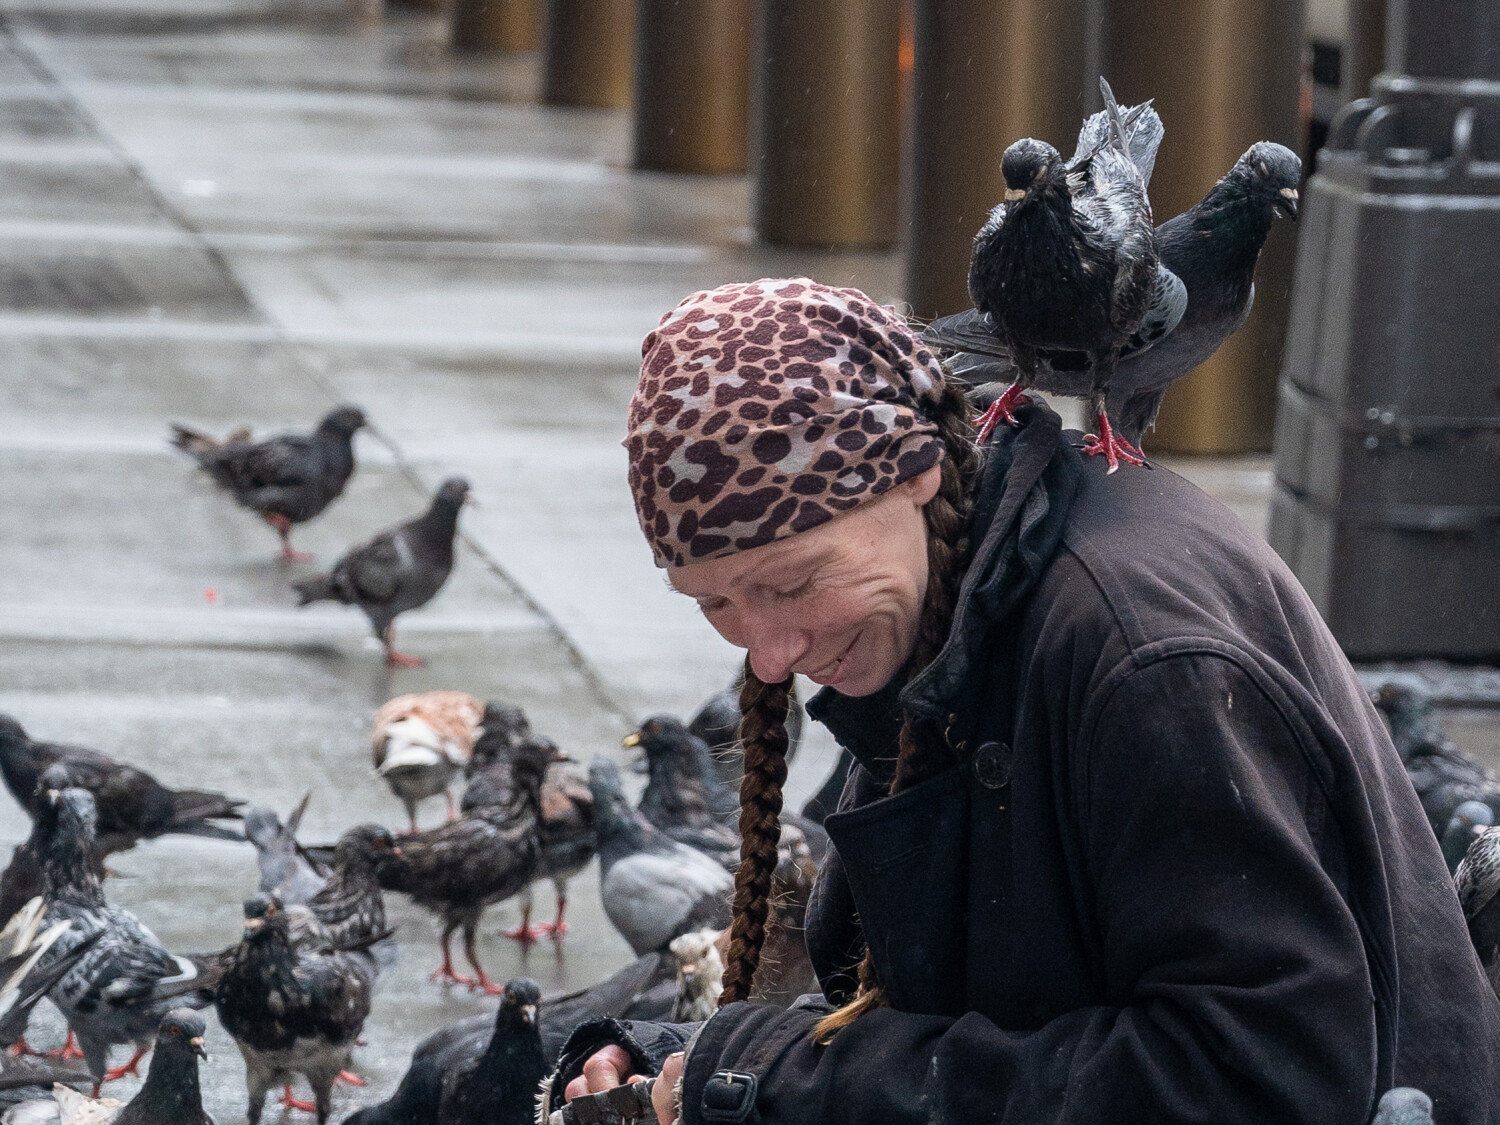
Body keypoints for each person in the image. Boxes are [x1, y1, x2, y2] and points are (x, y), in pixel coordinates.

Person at [547, 278, 1500, 1124]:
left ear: (916, 471)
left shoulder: (1140, 656)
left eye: (795, 581)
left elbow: (1261, 1077)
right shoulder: (945, 604)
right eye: (715, 600)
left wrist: (775, 1082)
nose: (768, 652)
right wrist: (692, 1064)